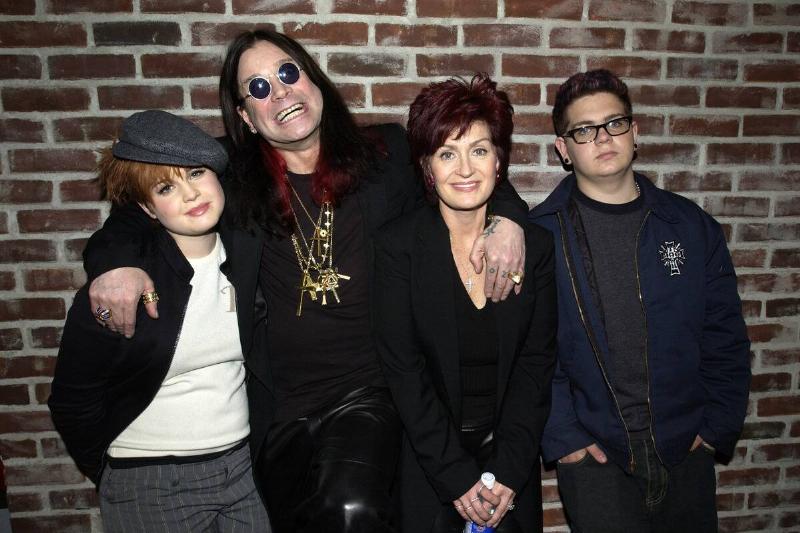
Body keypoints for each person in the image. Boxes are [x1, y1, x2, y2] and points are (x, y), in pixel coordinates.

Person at [80, 29, 530, 533]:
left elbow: (468, 171)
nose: (281, 92)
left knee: (350, 508)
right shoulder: (224, 176)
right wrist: (112, 261)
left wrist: (508, 220)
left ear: (314, 80)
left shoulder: (389, 154)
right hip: (279, 411)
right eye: (258, 87)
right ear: (247, 118)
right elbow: (136, 207)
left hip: (370, 390)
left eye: (288, 73)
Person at [529, 69, 751, 532]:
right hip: (595, 460)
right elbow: (530, 354)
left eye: (614, 123)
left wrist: (713, 430)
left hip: (686, 450)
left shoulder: (690, 227)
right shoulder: (540, 237)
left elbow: (725, 338)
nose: (602, 137)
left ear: (635, 133)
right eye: (583, 130)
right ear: (563, 149)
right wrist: (564, 438)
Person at [48, 110, 270, 532]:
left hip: (243, 471)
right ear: (148, 207)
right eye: (167, 187)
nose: (190, 194)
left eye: (197, 172)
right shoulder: (122, 285)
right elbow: (72, 400)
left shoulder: (248, 257)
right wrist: (117, 474)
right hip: (151, 480)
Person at [374, 74, 556, 533]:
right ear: (427, 168)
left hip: (509, 460)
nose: (465, 169)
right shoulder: (399, 246)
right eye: (447, 153)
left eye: (479, 150)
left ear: (499, 162)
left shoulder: (535, 246)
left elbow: (536, 365)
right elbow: (403, 369)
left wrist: (511, 472)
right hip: (429, 462)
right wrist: (456, 476)